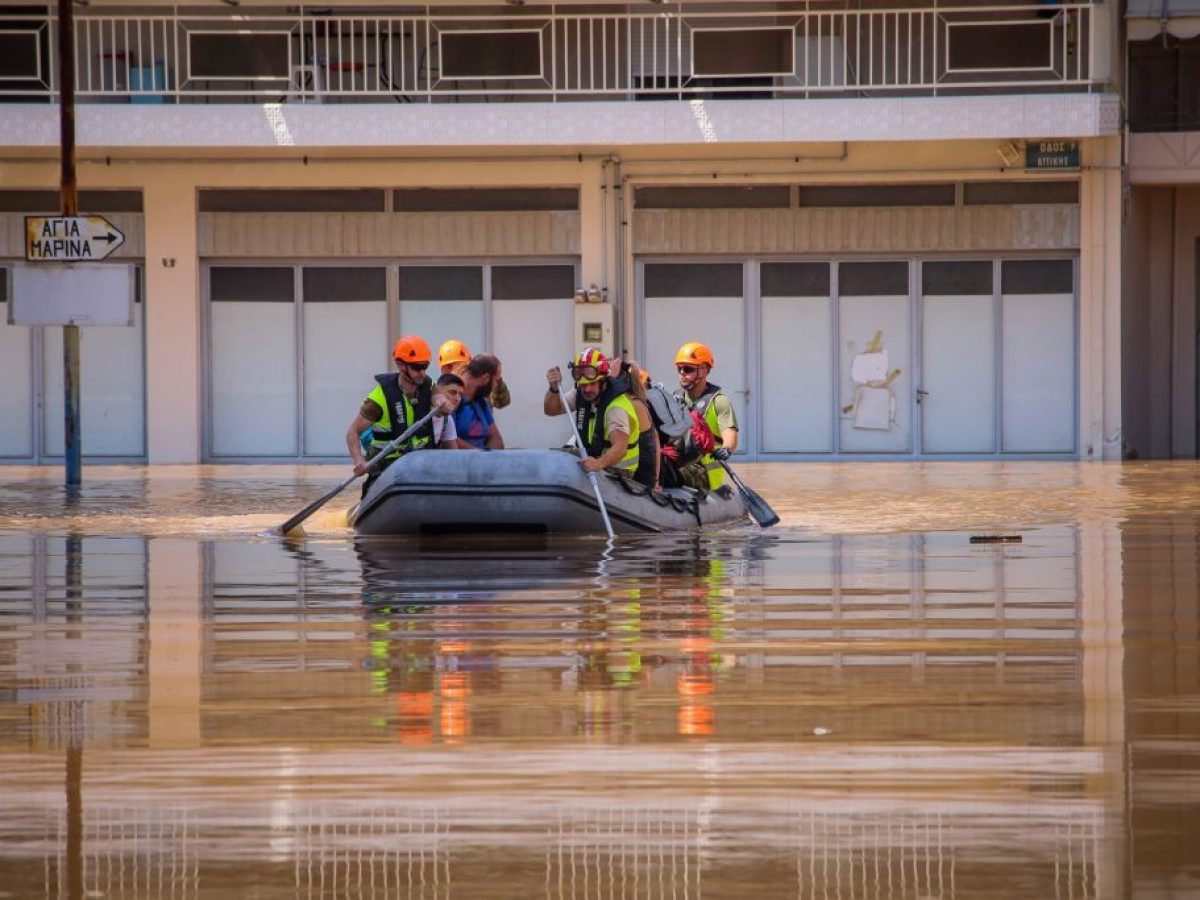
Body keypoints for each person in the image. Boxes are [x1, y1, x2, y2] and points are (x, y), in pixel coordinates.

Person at [345, 334, 452, 492]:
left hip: (420, 463)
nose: (422, 372)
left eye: (425, 366)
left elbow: (439, 398)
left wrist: (442, 403)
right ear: (401, 366)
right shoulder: (379, 399)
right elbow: (352, 433)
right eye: (417, 367)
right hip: (387, 467)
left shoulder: (428, 386)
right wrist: (358, 461)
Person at [544, 347, 647, 486]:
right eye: (583, 385)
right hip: (595, 458)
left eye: (592, 383)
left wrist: (598, 463)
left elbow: (620, 448)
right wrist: (553, 389)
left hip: (618, 471)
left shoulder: (616, 407)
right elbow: (551, 410)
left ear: (603, 381)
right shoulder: (581, 394)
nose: (587, 389)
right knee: (559, 458)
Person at [673, 341, 738, 492]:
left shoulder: (719, 402)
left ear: (703, 370)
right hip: (682, 463)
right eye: (679, 369)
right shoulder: (676, 398)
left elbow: (730, 435)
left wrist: (726, 449)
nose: (682, 373)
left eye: (688, 369)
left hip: (705, 474)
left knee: (669, 473)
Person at [438, 338, 511, 409]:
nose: (460, 372)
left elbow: (502, 402)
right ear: (444, 370)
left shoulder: (480, 384)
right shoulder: (440, 393)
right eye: (456, 368)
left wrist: (497, 379)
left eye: (463, 367)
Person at [453, 353, 506, 449]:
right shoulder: (452, 397)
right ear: (485, 379)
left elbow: (496, 439)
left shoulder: (481, 402)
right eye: (496, 381)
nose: (496, 386)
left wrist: (484, 458)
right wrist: (478, 456)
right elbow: (449, 438)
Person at [431, 373, 466, 449]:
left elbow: (453, 454)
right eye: (452, 392)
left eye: (460, 394)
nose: (457, 399)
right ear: (438, 391)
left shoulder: (447, 419)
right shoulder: (421, 411)